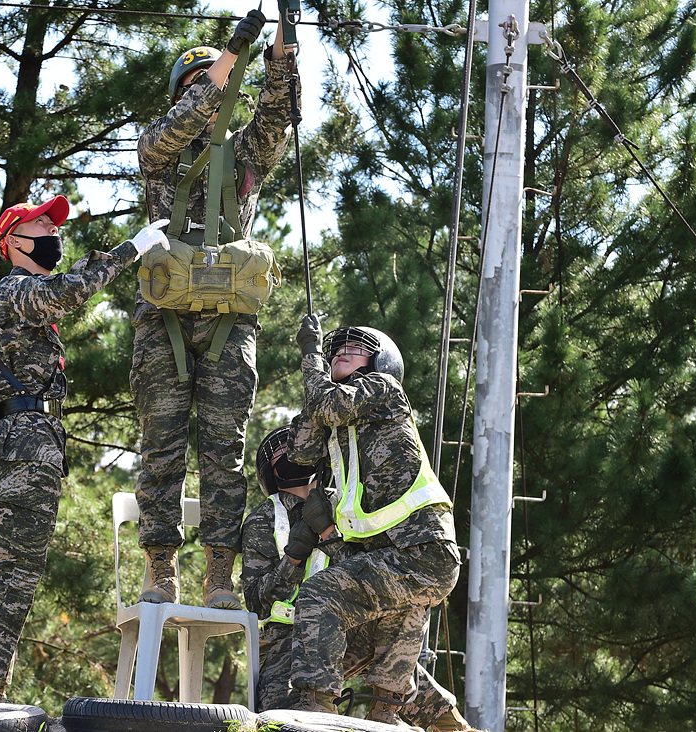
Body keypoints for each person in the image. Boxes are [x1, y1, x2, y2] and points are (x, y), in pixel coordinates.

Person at [0, 197, 169, 704]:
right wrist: (130, 249)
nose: (54, 232)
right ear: (12, 241)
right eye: (41, 225)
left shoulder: (24, 299)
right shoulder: (14, 290)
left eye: (54, 225)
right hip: (23, 445)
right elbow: (68, 290)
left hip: (27, 445)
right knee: (11, 569)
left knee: (15, 569)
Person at [131, 6, 299, 610]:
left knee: (224, 450)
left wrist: (282, 50)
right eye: (201, 88)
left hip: (229, 321)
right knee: (162, 447)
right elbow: (180, 123)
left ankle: (220, 574)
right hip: (165, 321)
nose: (214, 99)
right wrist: (229, 54)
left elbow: (278, 115)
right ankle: (160, 567)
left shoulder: (245, 155)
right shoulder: (159, 148)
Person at [281, 319, 475, 731]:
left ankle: (314, 713)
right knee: (359, 639)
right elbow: (300, 450)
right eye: (334, 349)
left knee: (321, 595)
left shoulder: (383, 389)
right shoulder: (338, 421)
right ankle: (423, 718)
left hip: (423, 549)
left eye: (355, 348)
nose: (340, 353)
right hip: (396, 556)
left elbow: (330, 405)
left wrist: (312, 356)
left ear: (379, 361)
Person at [242, 426, 478, 731]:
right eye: (280, 452)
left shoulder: (344, 504)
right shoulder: (263, 519)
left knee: (406, 598)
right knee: (281, 719)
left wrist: (329, 533)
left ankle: (409, 715)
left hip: (348, 629)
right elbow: (256, 603)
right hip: (285, 644)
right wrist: (294, 558)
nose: (290, 452)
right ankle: (320, 713)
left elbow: (369, 577)